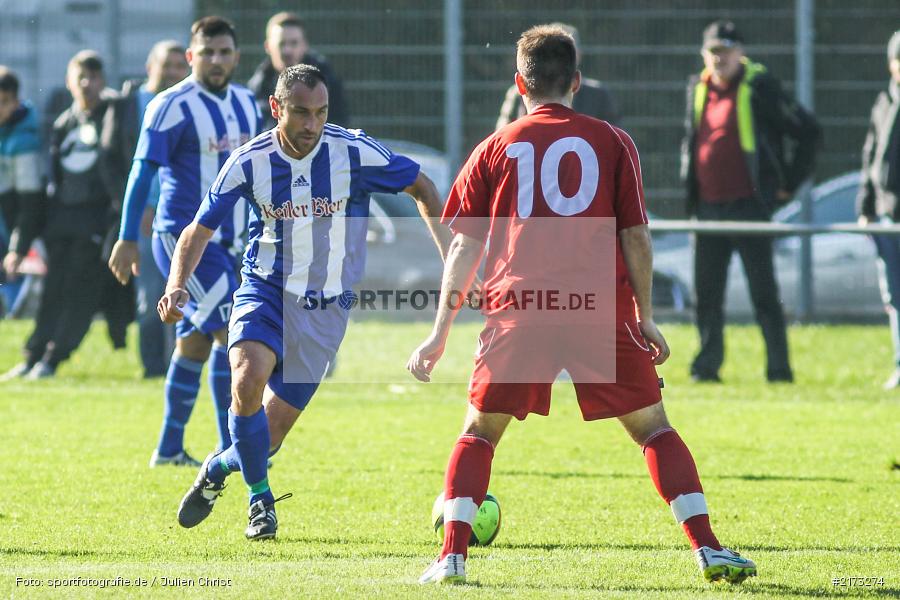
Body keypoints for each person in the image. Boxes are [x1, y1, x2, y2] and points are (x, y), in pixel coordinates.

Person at [407, 25, 757, 586]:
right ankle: (709, 548)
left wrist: (439, 331)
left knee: (478, 432)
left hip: (519, 308)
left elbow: (465, 247)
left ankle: (451, 557)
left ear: (519, 82)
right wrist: (645, 316)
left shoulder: (495, 147)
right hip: (598, 309)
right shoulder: (614, 142)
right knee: (653, 430)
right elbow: (636, 237)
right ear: (576, 80)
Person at [159, 64, 450, 541]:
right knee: (246, 379)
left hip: (325, 309)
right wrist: (176, 284)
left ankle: (217, 468)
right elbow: (198, 229)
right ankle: (261, 502)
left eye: (320, 112)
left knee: (265, 440)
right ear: (277, 108)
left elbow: (422, 186)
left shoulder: (352, 151)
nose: (311, 124)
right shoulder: (249, 161)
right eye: (300, 112)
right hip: (264, 289)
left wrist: (449, 257)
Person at [108, 17, 262, 466]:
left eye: (224, 52)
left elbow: (255, 174)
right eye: (207, 52)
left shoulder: (246, 103)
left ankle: (170, 448)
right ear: (191, 57)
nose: (216, 60)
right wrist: (126, 237)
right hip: (182, 240)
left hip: (230, 244)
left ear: (236, 56)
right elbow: (142, 173)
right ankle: (230, 447)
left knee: (195, 342)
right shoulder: (169, 105)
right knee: (232, 336)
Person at [681, 20, 820, 383]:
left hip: (750, 207)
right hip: (709, 209)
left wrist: (788, 183)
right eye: (713, 51)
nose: (719, 58)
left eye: (726, 51)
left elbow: (808, 132)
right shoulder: (697, 87)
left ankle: (778, 370)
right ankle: (706, 368)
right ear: (704, 54)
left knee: (764, 294)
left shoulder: (762, 87)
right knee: (707, 295)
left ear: (741, 54)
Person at [2, 51, 129, 379]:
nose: (87, 84)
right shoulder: (64, 123)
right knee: (53, 290)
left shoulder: (113, 117)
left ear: (103, 81)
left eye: (94, 77)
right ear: (69, 82)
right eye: (80, 77)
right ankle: (33, 354)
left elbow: (117, 168)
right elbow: (53, 178)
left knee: (81, 293)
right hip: (61, 222)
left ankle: (53, 358)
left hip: (97, 222)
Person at [107, 40, 189, 378]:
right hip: (143, 221)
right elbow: (112, 162)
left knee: (189, 297)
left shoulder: (191, 104)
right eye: (164, 65)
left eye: (177, 66)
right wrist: (137, 208)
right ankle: (154, 368)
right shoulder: (130, 105)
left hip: (185, 218)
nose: (171, 72)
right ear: (148, 66)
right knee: (150, 296)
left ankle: (184, 364)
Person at [858, 30, 900, 390]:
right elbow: (871, 157)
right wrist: (866, 206)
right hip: (888, 215)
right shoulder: (884, 101)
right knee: (895, 296)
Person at [495, 23, 619, 130]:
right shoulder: (517, 93)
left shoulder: (597, 95)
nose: (555, 61)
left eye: (563, 54)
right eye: (550, 54)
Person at [248, 11, 349, 130]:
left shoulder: (327, 81)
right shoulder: (256, 89)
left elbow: (339, 126)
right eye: (281, 44)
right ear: (268, 47)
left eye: (294, 43)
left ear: (305, 45)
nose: (287, 51)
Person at [0, 66, 42, 316]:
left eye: (4, 102)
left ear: (16, 102)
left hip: (15, 225)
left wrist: (17, 249)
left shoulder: (24, 140)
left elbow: (30, 204)